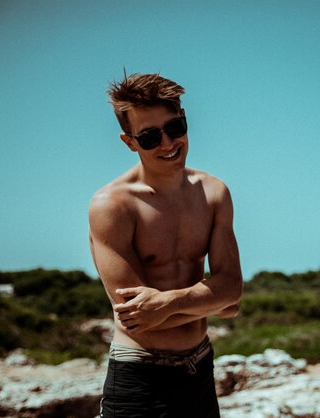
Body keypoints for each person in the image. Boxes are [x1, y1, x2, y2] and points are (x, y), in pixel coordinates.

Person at [89, 72, 243, 418]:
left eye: (175, 128)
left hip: (200, 367)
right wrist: (212, 299)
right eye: (149, 136)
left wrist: (169, 301)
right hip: (140, 374)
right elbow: (139, 317)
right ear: (129, 142)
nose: (167, 143)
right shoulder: (113, 206)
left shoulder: (214, 193)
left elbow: (232, 291)